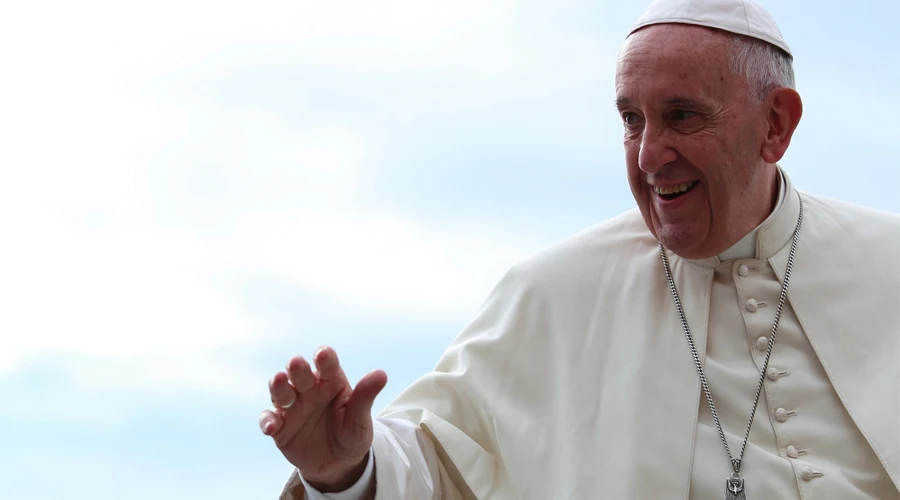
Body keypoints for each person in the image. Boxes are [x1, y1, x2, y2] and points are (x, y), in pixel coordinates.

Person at [258, 0, 900, 498]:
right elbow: (439, 465)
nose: (649, 156)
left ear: (776, 125)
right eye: (630, 120)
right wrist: (346, 471)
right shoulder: (553, 293)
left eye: (681, 116)